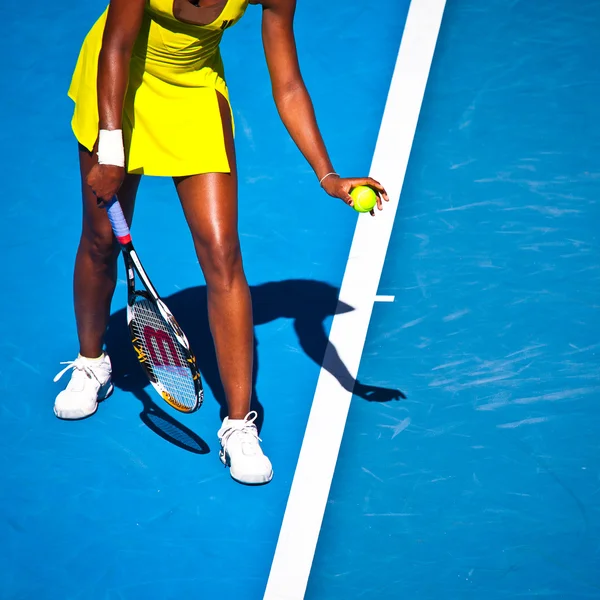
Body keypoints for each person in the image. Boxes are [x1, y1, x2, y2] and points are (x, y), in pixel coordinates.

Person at [54, 0, 389, 485]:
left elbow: (289, 84)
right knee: (102, 238)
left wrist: (328, 175)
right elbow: (117, 45)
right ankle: (91, 363)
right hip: (117, 85)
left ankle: (239, 425)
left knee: (222, 252)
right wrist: (111, 149)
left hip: (192, 91)